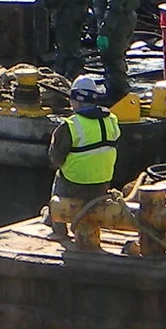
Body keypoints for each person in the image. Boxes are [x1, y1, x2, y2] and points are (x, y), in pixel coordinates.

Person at [47, 75, 123, 245]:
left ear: (76, 100)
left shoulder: (71, 125)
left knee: (60, 174)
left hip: (75, 183)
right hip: (103, 183)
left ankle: (58, 227)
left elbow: (55, 158)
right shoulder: (112, 120)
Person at [90, 0, 140, 102]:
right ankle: (116, 91)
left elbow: (114, 7)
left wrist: (105, 31)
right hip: (122, 21)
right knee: (114, 57)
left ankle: (118, 96)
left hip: (117, 24)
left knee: (113, 58)